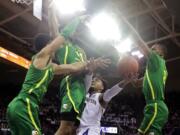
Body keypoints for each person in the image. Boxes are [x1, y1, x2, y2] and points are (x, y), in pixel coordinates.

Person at [6, 32, 107, 135]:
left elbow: (73, 68)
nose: (56, 47)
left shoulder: (52, 67)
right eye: (53, 44)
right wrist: (75, 20)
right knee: (66, 129)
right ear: (48, 45)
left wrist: (89, 65)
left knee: (70, 130)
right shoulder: (39, 59)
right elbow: (57, 34)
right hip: (24, 104)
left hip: (25, 107)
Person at [134, 43, 169, 135]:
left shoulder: (158, 60)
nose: (151, 50)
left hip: (156, 106)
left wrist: (130, 29)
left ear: (161, 53)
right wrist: (130, 77)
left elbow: (140, 42)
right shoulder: (155, 69)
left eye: (153, 49)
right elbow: (137, 84)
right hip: (154, 106)